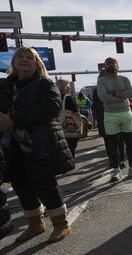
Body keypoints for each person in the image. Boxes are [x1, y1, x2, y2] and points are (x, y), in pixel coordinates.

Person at [0, 46, 74, 242]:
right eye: (20, 57)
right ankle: (35, 224)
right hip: (10, 144)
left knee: (45, 183)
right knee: (20, 183)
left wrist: (13, 119)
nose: (25, 60)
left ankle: (60, 224)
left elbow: (51, 108)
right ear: (14, 63)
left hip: (39, 142)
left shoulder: (44, 83)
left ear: (36, 64)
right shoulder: (5, 85)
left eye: (29, 58)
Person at [97, 57, 132, 182]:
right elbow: (103, 97)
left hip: (125, 113)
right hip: (110, 115)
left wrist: (116, 95)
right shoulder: (101, 81)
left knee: (130, 143)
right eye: (108, 64)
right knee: (113, 144)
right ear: (105, 67)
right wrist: (120, 97)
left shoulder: (124, 79)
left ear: (117, 66)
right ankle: (116, 170)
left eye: (114, 63)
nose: (111, 66)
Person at [55, 79, 81, 158]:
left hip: (58, 127)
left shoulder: (55, 97)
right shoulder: (68, 98)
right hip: (69, 128)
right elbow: (75, 111)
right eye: (68, 85)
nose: (69, 87)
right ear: (65, 87)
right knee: (71, 148)